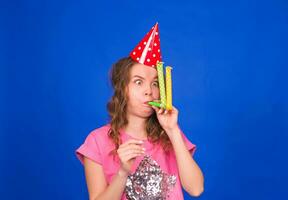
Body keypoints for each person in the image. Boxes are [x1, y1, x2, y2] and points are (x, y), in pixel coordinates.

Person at [75, 23, 204, 200]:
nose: (149, 91)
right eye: (138, 82)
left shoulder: (171, 135)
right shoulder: (97, 141)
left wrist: (173, 130)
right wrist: (123, 172)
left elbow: (196, 189)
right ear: (122, 89)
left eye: (155, 83)